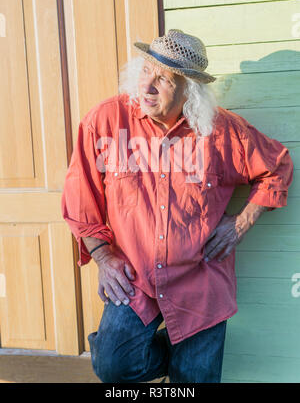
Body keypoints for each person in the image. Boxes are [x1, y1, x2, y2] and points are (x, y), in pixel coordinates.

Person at [61, 29, 294, 383]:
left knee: (194, 381)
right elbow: (81, 198)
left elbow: (276, 167)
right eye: (145, 71)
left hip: (200, 280)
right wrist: (104, 259)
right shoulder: (104, 122)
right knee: (114, 365)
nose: (148, 86)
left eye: (164, 80)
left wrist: (240, 223)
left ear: (189, 90)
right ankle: (175, 362)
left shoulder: (222, 132)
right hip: (135, 277)